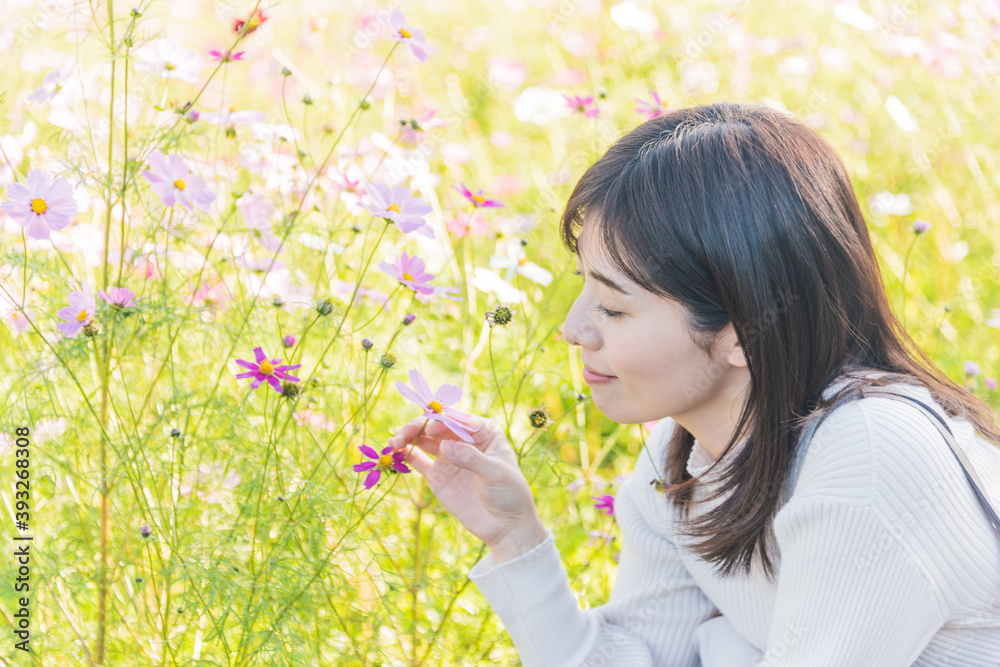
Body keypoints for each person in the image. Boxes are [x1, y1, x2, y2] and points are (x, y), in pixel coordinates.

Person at [387, 101, 1000, 666]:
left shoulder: (871, 453)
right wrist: (515, 536)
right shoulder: (685, 451)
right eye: (585, 286)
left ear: (742, 331)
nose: (574, 330)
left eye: (615, 307)